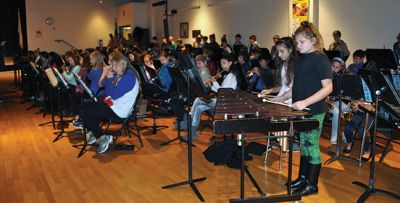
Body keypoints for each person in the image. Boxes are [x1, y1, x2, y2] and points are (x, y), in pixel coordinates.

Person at [281, 21, 333, 196]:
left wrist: (305, 102)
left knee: (312, 145)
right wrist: (285, 96)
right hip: (302, 110)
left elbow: (328, 88)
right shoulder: (302, 59)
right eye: (297, 43)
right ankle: (303, 178)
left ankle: (312, 184)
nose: (298, 46)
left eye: (301, 42)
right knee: (304, 145)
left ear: (313, 40)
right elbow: (298, 84)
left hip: (314, 110)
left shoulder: (321, 58)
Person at [80, 51, 139, 153]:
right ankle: (95, 133)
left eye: (114, 66)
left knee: (85, 112)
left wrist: (110, 79)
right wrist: (108, 78)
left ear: (121, 64)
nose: (113, 68)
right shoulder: (121, 71)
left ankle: (102, 137)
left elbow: (114, 94)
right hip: (114, 103)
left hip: (120, 109)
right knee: (85, 104)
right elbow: (102, 84)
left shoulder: (129, 76)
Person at [184, 53, 242, 141]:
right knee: (199, 107)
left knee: (197, 100)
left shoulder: (232, 76)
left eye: (224, 63)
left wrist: (214, 81)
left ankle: (190, 126)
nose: (222, 66)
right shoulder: (227, 74)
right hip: (219, 101)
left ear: (230, 63)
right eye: (221, 63)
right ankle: (192, 132)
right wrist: (211, 84)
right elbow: (217, 90)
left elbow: (222, 92)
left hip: (223, 104)